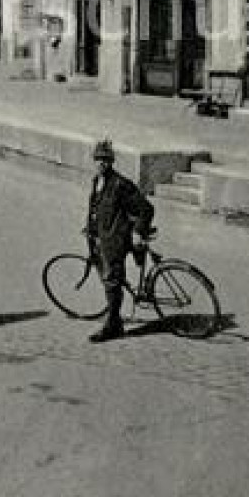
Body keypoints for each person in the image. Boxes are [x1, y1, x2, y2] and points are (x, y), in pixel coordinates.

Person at [84, 137, 156, 343]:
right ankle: (114, 316)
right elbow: (97, 209)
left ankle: (113, 325)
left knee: (112, 282)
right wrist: (90, 228)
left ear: (112, 162)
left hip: (115, 241)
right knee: (110, 280)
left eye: (105, 160)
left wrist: (137, 232)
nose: (101, 163)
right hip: (101, 239)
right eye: (98, 159)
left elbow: (146, 209)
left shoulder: (120, 184)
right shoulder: (97, 181)